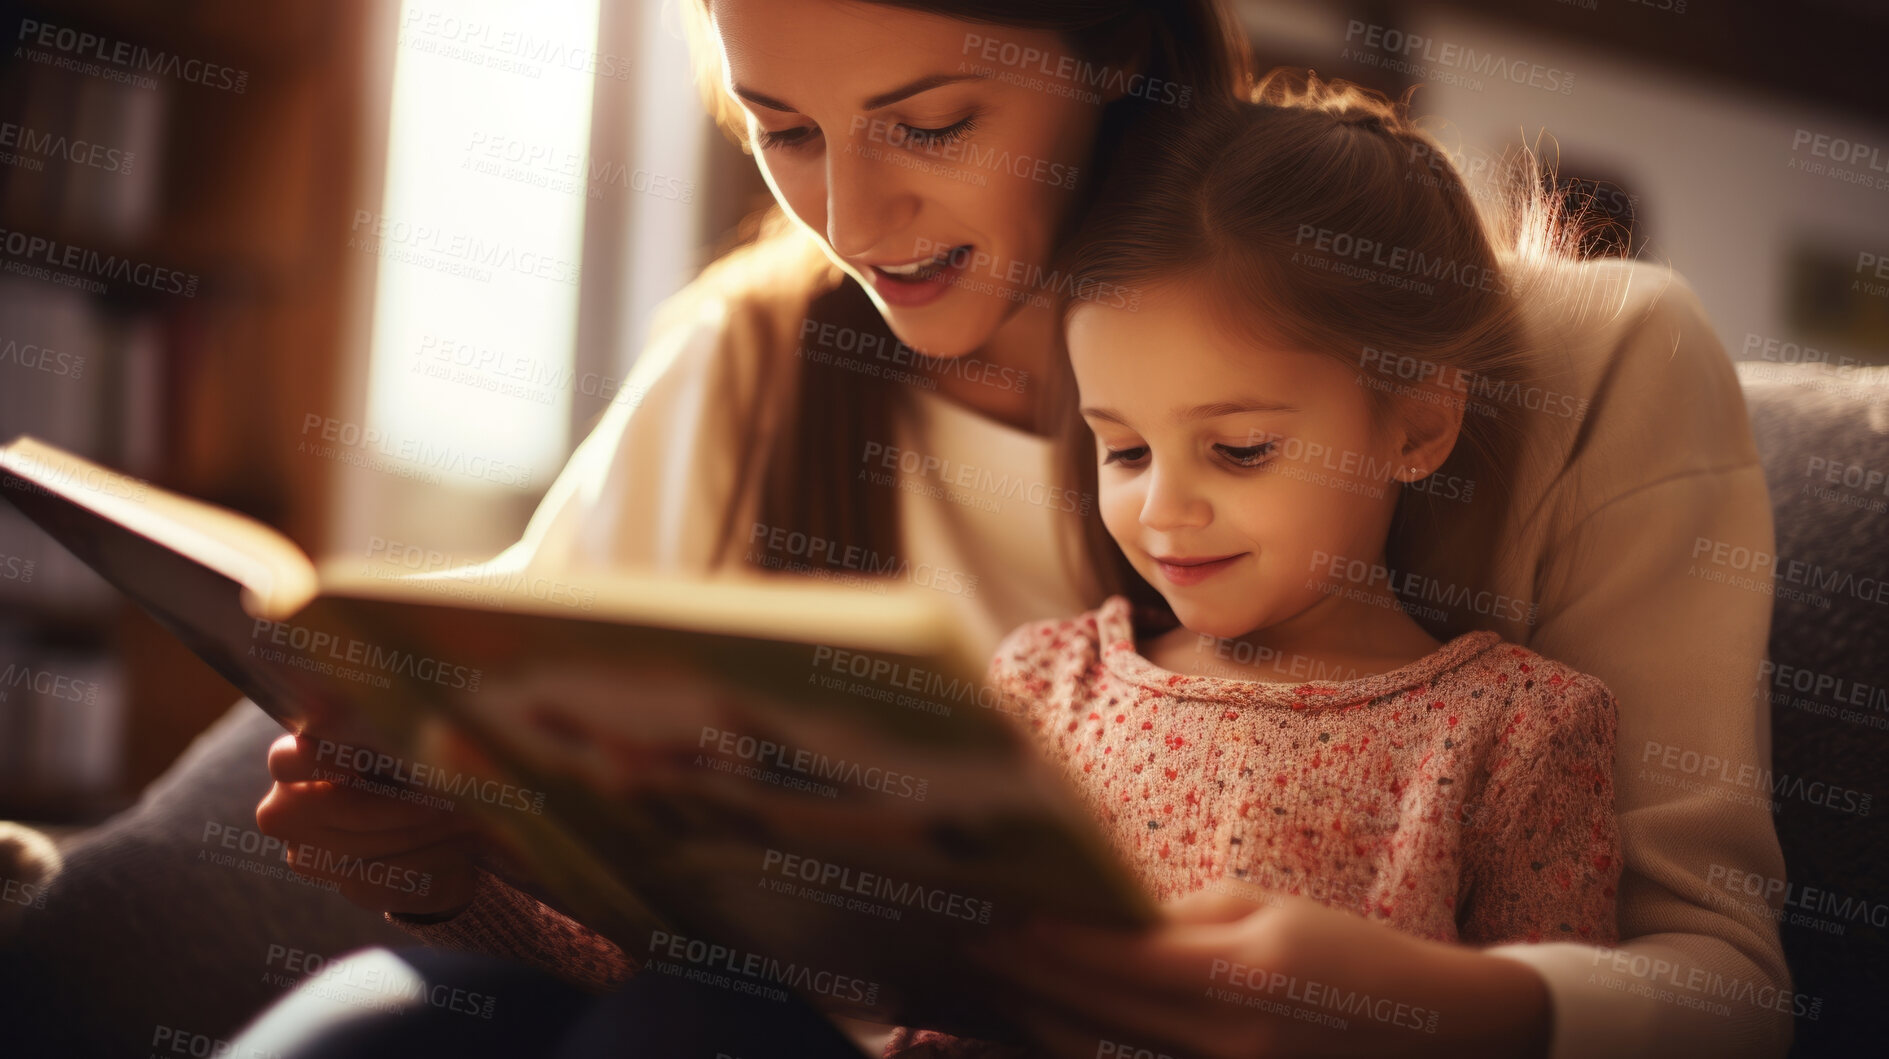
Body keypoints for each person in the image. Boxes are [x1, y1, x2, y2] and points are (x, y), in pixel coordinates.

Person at [245, 2, 1791, 1056]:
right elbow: (588, 857)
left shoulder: (1576, 372)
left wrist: (1445, 1008)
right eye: (784, 132)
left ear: (1110, 47)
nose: (850, 220)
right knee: (390, 1018)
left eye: (928, 122)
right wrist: (432, 848)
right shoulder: (756, 361)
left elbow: (1723, 997)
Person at [886, 74, 1627, 1057]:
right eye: (1123, 451)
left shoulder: (1513, 732)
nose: (1162, 512)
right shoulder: (1044, 687)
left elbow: (1540, 1030)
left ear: (1417, 423)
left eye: (1238, 450)